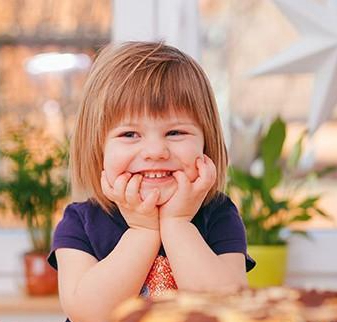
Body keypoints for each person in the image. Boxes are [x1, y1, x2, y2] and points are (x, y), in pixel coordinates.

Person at [47, 41, 255, 322]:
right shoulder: (81, 221)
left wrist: (177, 223)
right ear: (98, 149)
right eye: (130, 134)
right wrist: (142, 231)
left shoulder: (218, 214)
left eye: (175, 132)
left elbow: (226, 307)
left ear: (206, 144)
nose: (156, 152)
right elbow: (89, 312)